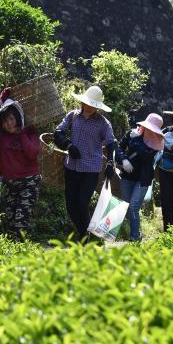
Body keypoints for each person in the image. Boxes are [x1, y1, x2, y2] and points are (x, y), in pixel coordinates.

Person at [54, 85, 116, 240]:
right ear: (83, 102)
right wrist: (68, 145)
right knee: (70, 205)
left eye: (93, 105)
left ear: (97, 107)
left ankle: (85, 237)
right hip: (71, 166)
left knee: (82, 202)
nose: (89, 107)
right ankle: (83, 232)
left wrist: (110, 163)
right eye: (88, 104)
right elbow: (58, 132)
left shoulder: (103, 123)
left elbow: (111, 143)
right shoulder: (73, 116)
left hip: (91, 169)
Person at [0, 87, 41, 239]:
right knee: (10, 221)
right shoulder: (1, 136)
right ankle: (13, 255)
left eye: (11, 119)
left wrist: (22, 134)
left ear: (17, 117)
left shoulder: (30, 133)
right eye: (4, 121)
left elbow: (32, 153)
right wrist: (1, 98)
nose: (8, 124)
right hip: (9, 183)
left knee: (20, 222)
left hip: (29, 182)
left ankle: (21, 256)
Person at [114, 112, 164, 241]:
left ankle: (134, 237)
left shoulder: (157, 142)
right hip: (127, 176)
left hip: (143, 179)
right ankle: (128, 231)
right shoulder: (132, 133)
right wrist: (124, 160)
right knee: (126, 205)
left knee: (133, 206)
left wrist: (134, 140)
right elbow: (119, 147)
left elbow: (146, 156)